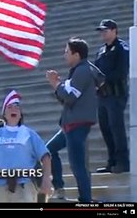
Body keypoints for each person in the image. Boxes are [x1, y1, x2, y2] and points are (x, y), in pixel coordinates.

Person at [46, 37, 105, 202]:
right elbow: (66, 97)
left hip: (76, 124)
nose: (64, 55)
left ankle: (85, 200)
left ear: (77, 54)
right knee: (48, 151)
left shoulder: (83, 71)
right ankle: (59, 187)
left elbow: (70, 97)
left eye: (67, 52)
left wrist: (56, 84)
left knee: (78, 165)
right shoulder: (79, 70)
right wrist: (59, 85)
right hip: (69, 124)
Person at [94, 19, 130, 174]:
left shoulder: (122, 48)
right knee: (105, 128)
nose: (103, 34)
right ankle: (112, 161)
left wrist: (103, 79)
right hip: (102, 96)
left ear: (115, 30)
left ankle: (123, 162)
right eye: (102, 31)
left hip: (116, 94)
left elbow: (121, 72)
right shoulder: (101, 51)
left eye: (106, 30)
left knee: (117, 128)